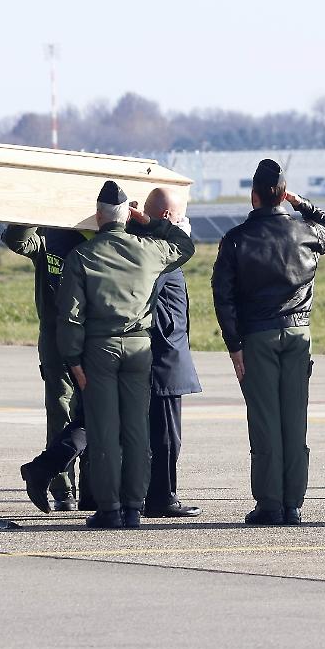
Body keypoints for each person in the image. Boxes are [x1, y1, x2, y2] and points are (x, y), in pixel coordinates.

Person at [55, 181, 195, 529]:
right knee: (136, 431)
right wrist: (149, 222)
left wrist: (73, 360)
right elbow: (184, 245)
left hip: (99, 351)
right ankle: (134, 506)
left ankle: (110, 508)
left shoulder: (83, 256)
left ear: (99, 216)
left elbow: (71, 315)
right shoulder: (148, 249)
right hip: (140, 348)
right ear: (128, 214)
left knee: (105, 431)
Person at [212, 159, 325, 526]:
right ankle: (293, 502)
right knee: (294, 421)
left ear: (253, 196)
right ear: (283, 195)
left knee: (266, 421)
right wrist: (302, 204)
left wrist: (234, 346)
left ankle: (270, 503)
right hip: (299, 332)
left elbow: (223, 296)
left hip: (258, 335)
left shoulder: (237, 238)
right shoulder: (305, 232)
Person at [3, 224, 93, 511]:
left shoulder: (100, 235)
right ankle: (62, 486)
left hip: (94, 339)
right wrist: (35, 213)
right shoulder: (46, 238)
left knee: (96, 415)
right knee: (61, 411)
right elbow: (17, 240)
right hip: (56, 342)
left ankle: (93, 489)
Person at [140, 189, 204, 519]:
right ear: (167, 218)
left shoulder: (151, 247)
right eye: (180, 217)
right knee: (166, 437)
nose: (184, 223)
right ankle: (162, 497)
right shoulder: (159, 253)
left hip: (160, 355)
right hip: (162, 358)